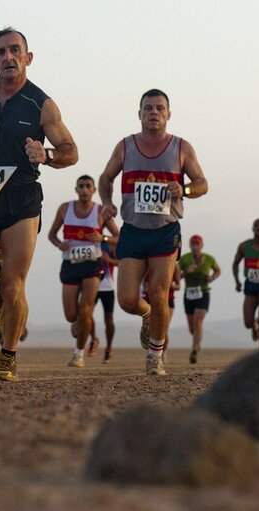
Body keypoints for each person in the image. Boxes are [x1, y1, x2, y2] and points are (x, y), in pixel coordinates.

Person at [0, 28, 78, 381]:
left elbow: (71, 152)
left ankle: (8, 355)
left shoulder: (41, 104)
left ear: (28, 58)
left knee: (14, 285)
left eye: (15, 50)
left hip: (21, 198)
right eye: (0, 52)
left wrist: (47, 155)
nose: (8, 57)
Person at [99, 89, 208, 376]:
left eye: (160, 108)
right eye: (148, 108)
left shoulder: (182, 148)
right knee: (126, 300)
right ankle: (147, 315)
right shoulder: (125, 146)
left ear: (168, 114)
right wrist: (108, 203)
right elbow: (105, 177)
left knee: (160, 293)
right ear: (139, 113)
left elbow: (201, 183)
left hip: (165, 232)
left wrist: (183, 189)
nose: (154, 112)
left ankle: (155, 355)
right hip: (133, 231)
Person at [47, 175, 118, 368]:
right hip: (70, 264)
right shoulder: (65, 209)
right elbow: (51, 234)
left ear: (94, 190)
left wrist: (102, 238)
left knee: (86, 310)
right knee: (72, 315)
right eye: (81, 186)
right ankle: (81, 327)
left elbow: (119, 237)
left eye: (88, 186)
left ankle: (78, 354)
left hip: (92, 265)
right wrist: (60, 244)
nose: (85, 189)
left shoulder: (100, 212)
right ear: (76, 189)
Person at [231, 219, 259, 352]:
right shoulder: (244, 246)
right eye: (256, 226)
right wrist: (237, 282)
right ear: (252, 229)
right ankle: (254, 326)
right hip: (250, 286)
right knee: (248, 322)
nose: (258, 228)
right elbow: (235, 264)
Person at [179, 234, 221, 363]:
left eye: (197, 244)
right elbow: (176, 276)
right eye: (193, 244)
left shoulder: (209, 259)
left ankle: (194, 350)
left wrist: (212, 278)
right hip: (189, 294)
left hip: (203, 293)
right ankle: (197, 342)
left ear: (201, 245)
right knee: (192, 328)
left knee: (198, 323)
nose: (195, 247)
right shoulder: (184, 259)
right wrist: (186, 272)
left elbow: (218, 271)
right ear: (190, 246)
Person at [93, 236, 120, 362]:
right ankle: (94, 339)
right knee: (85, 314)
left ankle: (108, 348)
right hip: (91, 285)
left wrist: (109, 259)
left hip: (107, 286)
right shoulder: (89, 238)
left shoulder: (109, 243)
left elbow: (121, 262)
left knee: (108, 319)